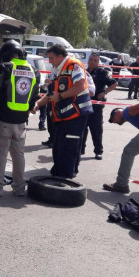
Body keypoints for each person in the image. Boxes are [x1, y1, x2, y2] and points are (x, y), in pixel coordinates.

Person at [0, 40, 39, 197]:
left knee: (0, 155)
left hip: (4, 119)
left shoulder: (6, 67)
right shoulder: (34, 70)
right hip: (21, 121)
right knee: (18, 155)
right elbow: (35, 95)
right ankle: (19, 188)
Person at [32, 44, 92, 178]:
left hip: (76, 114)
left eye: (52, 58)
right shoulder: (58, 69)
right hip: (63, 116)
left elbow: (80, 86)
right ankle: (58, 172)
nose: (50, 61)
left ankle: (66, 177)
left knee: (70, 146)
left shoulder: (73, 65)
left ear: (60, 56)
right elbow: (50, 93)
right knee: (59, 146)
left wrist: (59, 96)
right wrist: (38, 104)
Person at [82, 52, 117, 160]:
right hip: (84, 104)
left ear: (98, 62)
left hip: (96, 106)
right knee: (82, 128)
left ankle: (98, 151)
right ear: (88, 60)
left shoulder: (103, 72)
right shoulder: (84, 71)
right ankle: (80, 149)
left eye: (95, 60)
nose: (93, 62)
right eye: (91, 59)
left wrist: (105, 92)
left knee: (96, 129)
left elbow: (114, 84)